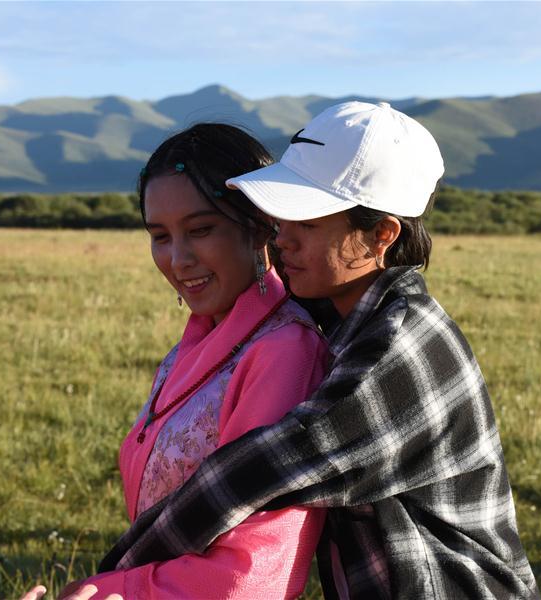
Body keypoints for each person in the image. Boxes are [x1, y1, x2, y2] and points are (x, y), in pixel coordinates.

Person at [98, 102, 541, 599]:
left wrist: (113, 576)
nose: (279, 237)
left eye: (306, 223)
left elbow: (267, 467)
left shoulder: (401, 344)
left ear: (380, 236)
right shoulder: (343, 318)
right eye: (280, 217)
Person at [25, 124, 328, 600]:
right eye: (159, 236)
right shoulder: (195, 343)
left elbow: (251, 573)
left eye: (201, 229)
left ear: (260, 226)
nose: (178, 259)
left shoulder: (284, 351)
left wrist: (106, 591)